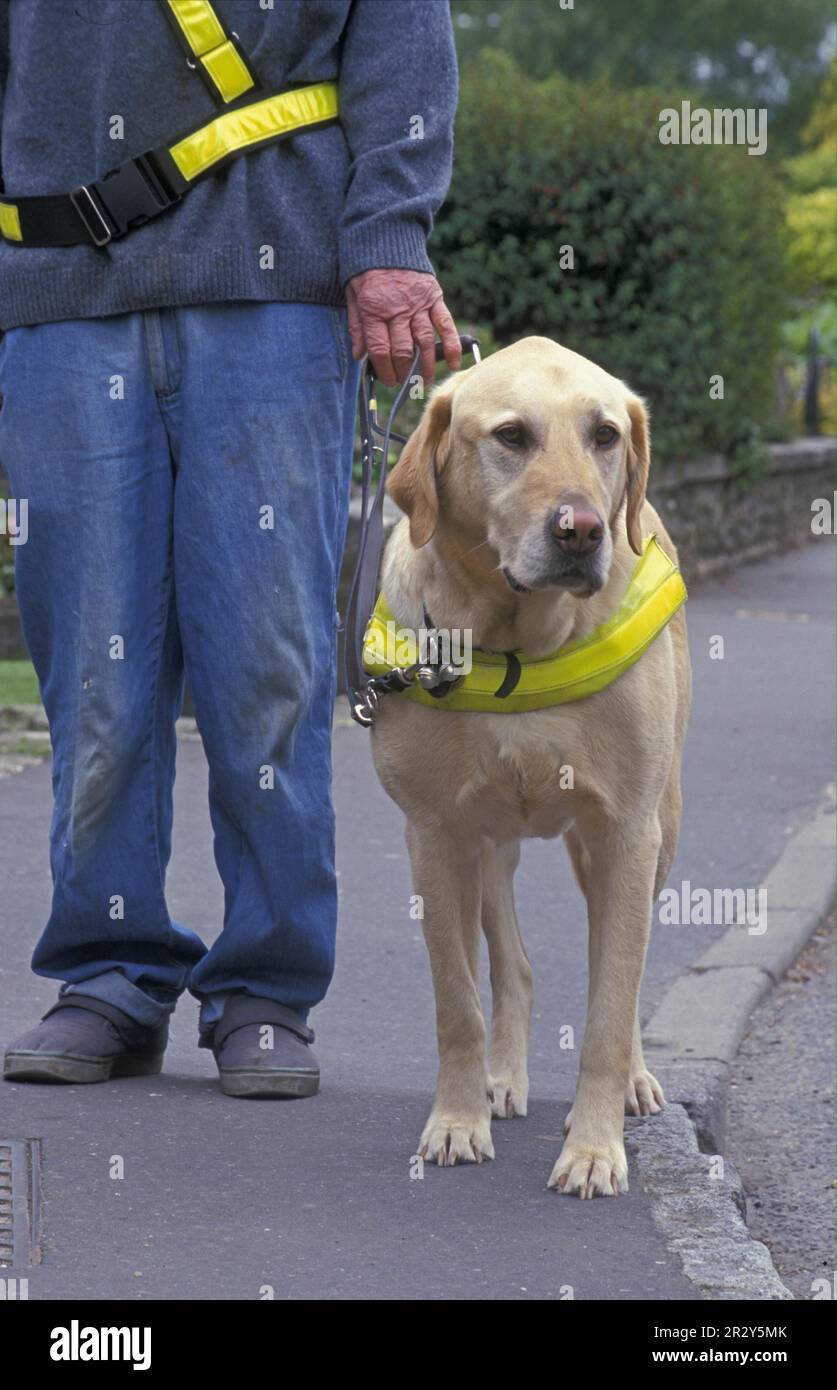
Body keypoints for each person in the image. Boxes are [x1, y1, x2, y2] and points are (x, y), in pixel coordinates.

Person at [0, 0, 460, 1097]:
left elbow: (400, 34)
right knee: (95, 673)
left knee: (267, 664)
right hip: (62, 291)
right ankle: (108, 970)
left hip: (274, 292)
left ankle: (265, 984)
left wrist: (389, 235)